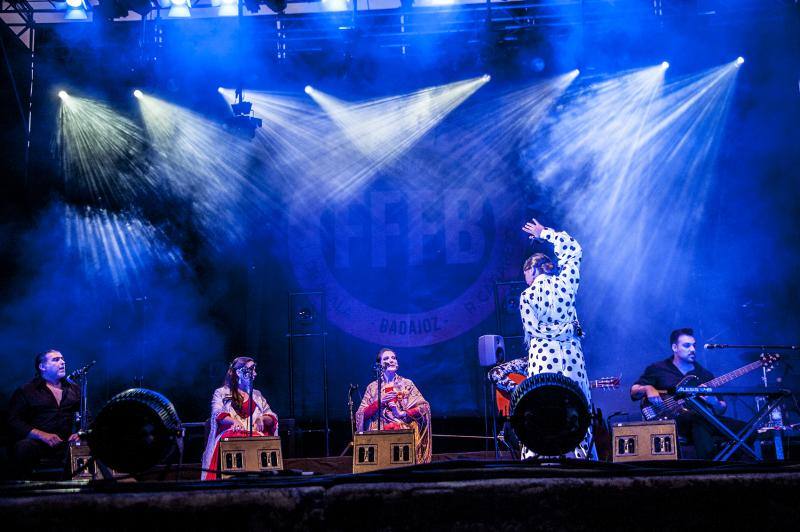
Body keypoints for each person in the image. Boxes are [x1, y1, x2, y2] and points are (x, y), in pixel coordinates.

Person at [519, 218, 595, 459]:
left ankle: (537, 458)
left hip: (543, 358)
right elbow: (574, 251)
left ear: (532, 270)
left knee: (541, 405)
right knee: (578, 406)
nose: (526, 280)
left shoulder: (527, 295)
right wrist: (546, 234)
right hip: (571, 355)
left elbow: (534, 329)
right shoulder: (566, 284)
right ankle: (583, 458)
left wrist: (562, 330)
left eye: (526, 274)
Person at [630, 327, 731, 459]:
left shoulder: (705, 374)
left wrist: (715, 402)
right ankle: (709, 471)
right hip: (672, 423)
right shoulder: (657, 369)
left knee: (747, 430)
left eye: (694, 345)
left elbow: (721, 409)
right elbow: (633, 391)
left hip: (704, 422)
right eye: (687, 345)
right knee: (698, 422)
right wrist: (648, 388)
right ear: (675, 347)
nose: (693, 349)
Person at [201, 356, 279, 480]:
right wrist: (233, 421)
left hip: (253, 434)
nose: (255, 373)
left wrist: (262, 419)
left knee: (260, 440)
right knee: (232, 438)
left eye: (255, 369)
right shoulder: (221, 393)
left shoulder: (257, 395)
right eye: (251, 370)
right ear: (238, 372)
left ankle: (261, 480)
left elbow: (272, 416)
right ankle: (231, 479)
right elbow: (217, 413)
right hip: (230, 435)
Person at [7, 350, 81, 477]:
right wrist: (41, 435)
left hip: (66, 443)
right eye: (56, 359)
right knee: (23, 448)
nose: (62, 362)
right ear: (42, 366)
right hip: (38, 443)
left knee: (91, 444)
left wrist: (80, 433)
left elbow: (87, 417)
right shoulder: (27, 390)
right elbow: (13, 420)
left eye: (62, 359)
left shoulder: (74, 389)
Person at [355, 348, 432, 464]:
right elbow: (361, 414)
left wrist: (402, 413)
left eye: (393, 358)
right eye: (386, 359)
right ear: (379, 365)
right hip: (378, 433)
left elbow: (424, 408)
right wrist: (379, 402)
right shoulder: (373, 387)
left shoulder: (407, 384)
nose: (391, 361)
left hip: (403, 431)